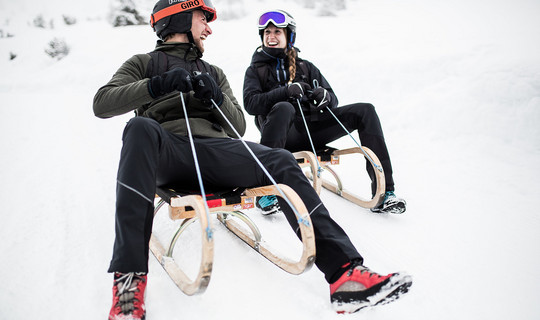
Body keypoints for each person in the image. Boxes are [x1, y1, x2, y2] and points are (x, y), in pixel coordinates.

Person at [93, 1, 412, 319]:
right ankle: (129, 283)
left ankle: (346, 274)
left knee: (279, 159)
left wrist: (215, 97)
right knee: (138, 128)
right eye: (203, 19)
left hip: (216, 152)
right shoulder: (142, 63)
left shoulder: (212, 71)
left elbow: (239, 124)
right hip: (167, 151)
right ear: (178, 18)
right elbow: (103, 103)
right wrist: (157, 85)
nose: (208, 28)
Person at [243, 10, 407, 215]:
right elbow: (250, 104)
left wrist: (325, 97)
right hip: (283, 138)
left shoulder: (306, 67)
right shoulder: (256, 70)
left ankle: (386, 193)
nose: (271, 36)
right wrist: (284, 92)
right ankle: (267, 192)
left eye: (277, 32)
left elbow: (333, 99)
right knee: (285, 107)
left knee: (365, 110)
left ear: (289, 36)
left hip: (313, 131)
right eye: (267, 32)